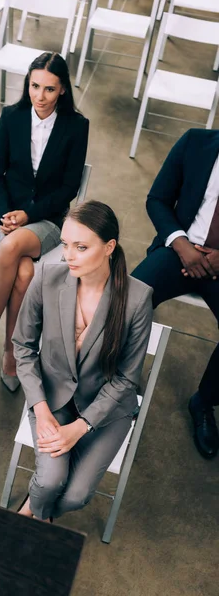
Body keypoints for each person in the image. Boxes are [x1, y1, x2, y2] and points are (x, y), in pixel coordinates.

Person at [12, 201, 153, 521]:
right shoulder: (48, 274)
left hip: (107, 409)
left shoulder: (137, 298)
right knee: (49, 481)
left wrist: (81, 427)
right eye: (65, 244)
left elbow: (127, 379)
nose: (68, 255)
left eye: (81, 247)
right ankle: (36, 514)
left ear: (109, 247)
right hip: (53, 398)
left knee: (76, 496)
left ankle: (34, 510)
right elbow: (22, 345)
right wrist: (41, 409)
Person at [0, 52, 89, 392]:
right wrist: (8, 212)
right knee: (23, 273)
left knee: (12, 246)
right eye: (35, 86)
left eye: (49, 89)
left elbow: (68, 188)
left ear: (63, 90)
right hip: (5, 215)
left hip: (46, 220)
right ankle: (11, 351)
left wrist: (28, 215)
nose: (40, 95)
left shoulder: (76, 127)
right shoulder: (12, 117)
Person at [132, 128, 219, 459]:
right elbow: (157, 199)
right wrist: (182, 245)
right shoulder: (195, 142)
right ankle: (117, 381)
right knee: (127, 298)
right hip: (179, 248)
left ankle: (204, 401)